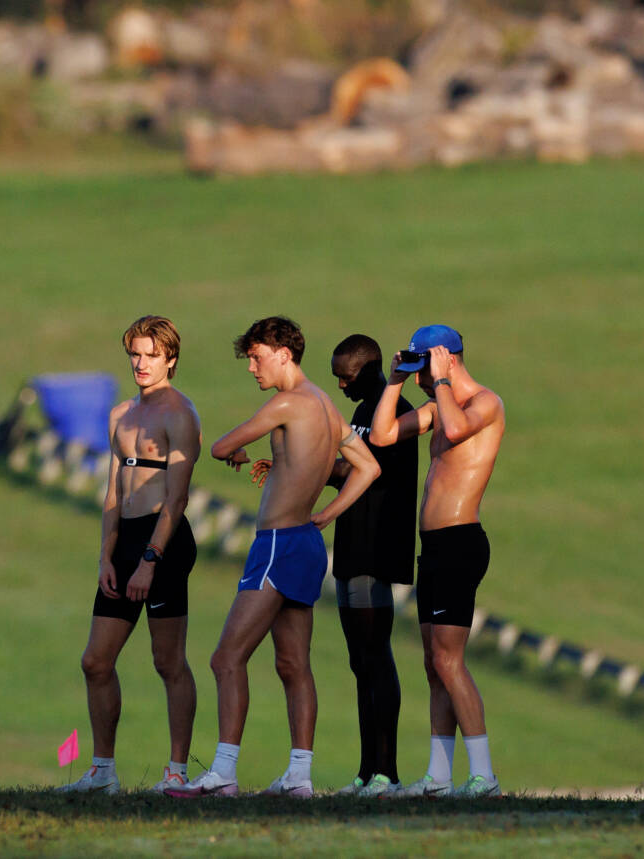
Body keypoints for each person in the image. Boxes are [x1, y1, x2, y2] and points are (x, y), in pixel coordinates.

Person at [169, 316, 379, 798]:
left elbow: (221, 445)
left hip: (277, 544)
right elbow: (368, 466)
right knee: (292, 664)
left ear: (284, 354)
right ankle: (300, 777)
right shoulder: (326, 406)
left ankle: (222, 772)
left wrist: (235, 456)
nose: (252, 368)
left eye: (257, 356)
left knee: (226, 658)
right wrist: (325, 515)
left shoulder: (286, 403)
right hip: (306, 541)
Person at [59, 316, 202, 796]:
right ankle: (102, 772)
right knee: (95, 661)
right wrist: (106, 556)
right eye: (135, 355)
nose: (140, 364)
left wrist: (150, 559)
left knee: (168, 661)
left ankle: (177, 772)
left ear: (171, 359)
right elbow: (113, 491)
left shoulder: (180, 414)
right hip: (125, 544)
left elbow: (177, 499)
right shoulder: (120, 414)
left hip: (164, 542)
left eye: (150, 355)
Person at [370, 324, 508, 797]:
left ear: (446, 358)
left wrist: (443, 379)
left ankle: (483, 775)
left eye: (424, 367)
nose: (422, 380)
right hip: (433, 547)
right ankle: (438, 777)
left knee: (450, 661)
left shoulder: (485, 404)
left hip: (460, 544)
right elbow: (385, 434)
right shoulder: (435, 404)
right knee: (434, 663)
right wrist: (394, 381)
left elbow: (454, 428)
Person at [327, 333, 421, 794]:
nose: (341, 386)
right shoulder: (363, 412)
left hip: (376, 548)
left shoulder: (392, 412)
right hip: (350, 546)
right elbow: (346, 471)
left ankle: (388, 771)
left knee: (375, 657)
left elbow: (372, 472)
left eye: (345, 378)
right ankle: (367, 772)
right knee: (358, 661)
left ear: (367, 370)